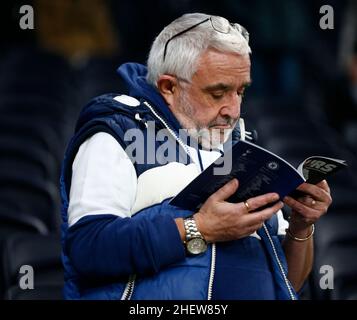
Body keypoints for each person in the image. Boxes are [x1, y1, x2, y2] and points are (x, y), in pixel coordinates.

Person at [60, 13, 332, 300]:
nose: (234, 110)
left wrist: (302, 226)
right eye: (218, 93)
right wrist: (198, 228)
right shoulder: (119, 133)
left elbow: (288, 282)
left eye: (241, 91)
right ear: (169, 87)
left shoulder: (244, 149)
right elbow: (88, 248)